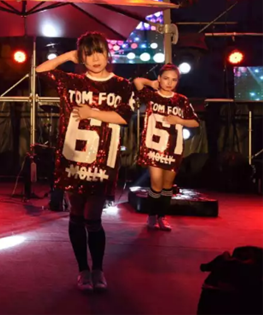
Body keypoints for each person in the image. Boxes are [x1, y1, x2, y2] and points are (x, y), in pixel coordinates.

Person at [36, 32, 135, 292]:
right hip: (74, 159)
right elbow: (40, 70)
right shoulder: (72, 81)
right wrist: (69, 56)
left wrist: (93, 112)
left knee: (93, 216)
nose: (95, 59)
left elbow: (125, 117)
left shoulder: (121, 85)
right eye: (88, 54)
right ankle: (83, 270)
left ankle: (98, 269)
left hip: (103, 161)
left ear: (108, 54)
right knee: (77, 214)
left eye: (99, 52)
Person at [134, 64, 200, 231]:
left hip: (173, 148)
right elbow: (137, 82)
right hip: (153, 147)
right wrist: (151, 83)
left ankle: (162, 217)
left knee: (167, 185)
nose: (169, 83)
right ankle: (151, 216)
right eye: (165, 78)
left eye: (174, 80)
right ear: (159, 79)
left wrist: (180, 121)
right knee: (156, 183)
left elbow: (195, 122)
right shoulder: (152, 96)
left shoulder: (181, 100)